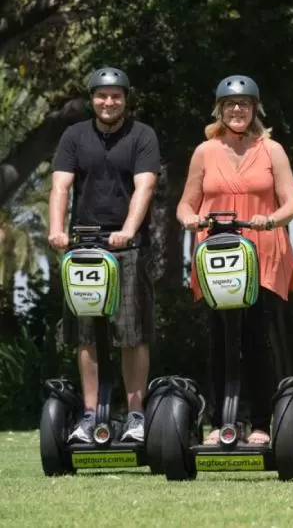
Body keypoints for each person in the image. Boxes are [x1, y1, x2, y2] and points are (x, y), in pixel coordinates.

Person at [176, 75, 293, 445]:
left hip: (260, 251)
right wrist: (189, 218)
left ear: (255, 109)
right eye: (230, 105)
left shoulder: (271, 149)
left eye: (244, 104)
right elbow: (187, 202)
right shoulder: (205, 151)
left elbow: (290, 202)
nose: (237, 110)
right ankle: (219, 422)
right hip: (217, 254)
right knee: (219, 338)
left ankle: (262, 422)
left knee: (254, 338)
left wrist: (272, 219)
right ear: (219, 109)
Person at [48, 67, 161, 443]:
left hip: (126, 247)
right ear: (92, 98)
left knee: (132, 333)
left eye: (116, 96)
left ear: (126, 99)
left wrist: (128, 230)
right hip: (83, 247)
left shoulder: (142, 135)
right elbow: (61, 186)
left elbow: (144, 186)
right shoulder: (74, 136)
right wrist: (57, 229)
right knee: (86, 335)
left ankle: (135, 416)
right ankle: (89, 414)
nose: (108, 102)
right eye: (101, 95)